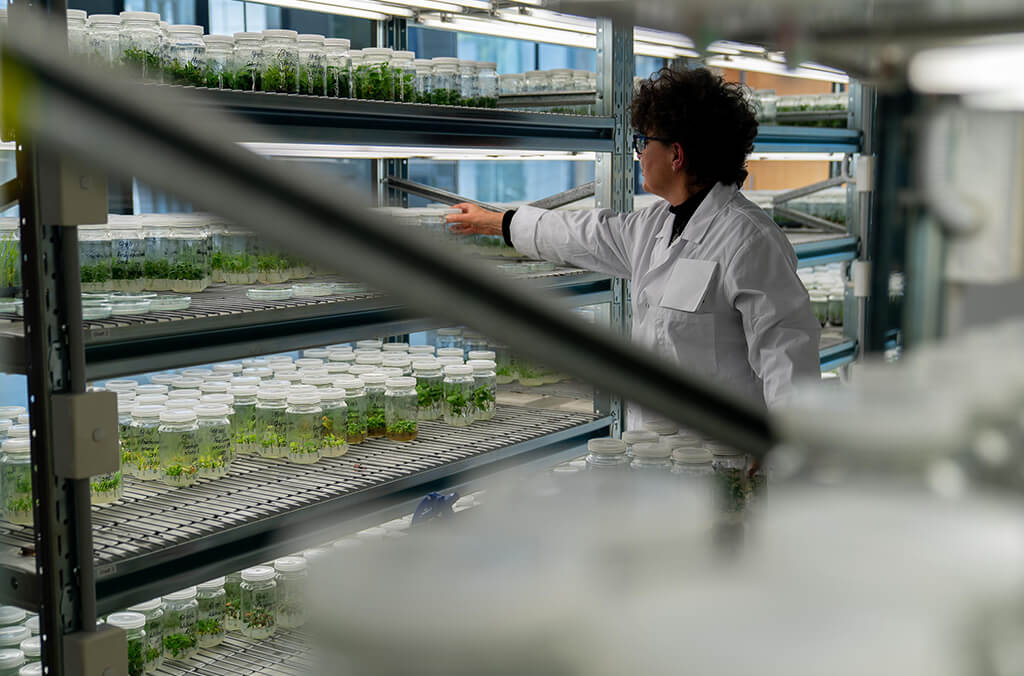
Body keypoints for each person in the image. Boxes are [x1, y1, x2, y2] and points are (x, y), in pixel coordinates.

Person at [447, 67, 820, 425]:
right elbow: (579, 233)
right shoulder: (654, 225)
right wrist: (495, 222)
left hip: (723, 459)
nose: (639, 154)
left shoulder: (749, 240)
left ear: (676, 154)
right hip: (654, 452)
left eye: (644, 142)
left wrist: (785, 446)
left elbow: (788, 359)